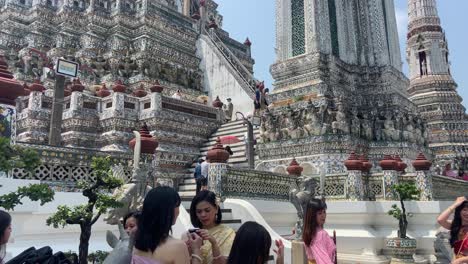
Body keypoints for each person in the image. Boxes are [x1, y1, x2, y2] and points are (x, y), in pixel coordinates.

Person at [133, 187, 203, 264]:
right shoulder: (177, 247)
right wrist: (196, 251)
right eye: (177, 206)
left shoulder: (136, 242)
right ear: (169, 211)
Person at [190, 191, 235, 264]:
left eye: (207, 210)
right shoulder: (192, 235)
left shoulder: (228, 233)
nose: (203, 215)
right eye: (199, 212)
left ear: (216, 209)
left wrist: (214, 243)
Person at [303, 199, 336, 264]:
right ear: (312, 215)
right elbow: (324, 261)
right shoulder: (321, 234)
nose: (323, 215)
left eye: (324, 212)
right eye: (319, 213)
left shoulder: (309, 233)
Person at [437, 196, 468, 263]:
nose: (467, 213)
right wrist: (455, 205)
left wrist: (461, 260)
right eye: (465, 210)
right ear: (459, 211)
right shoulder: (456, 226)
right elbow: (440, 220)